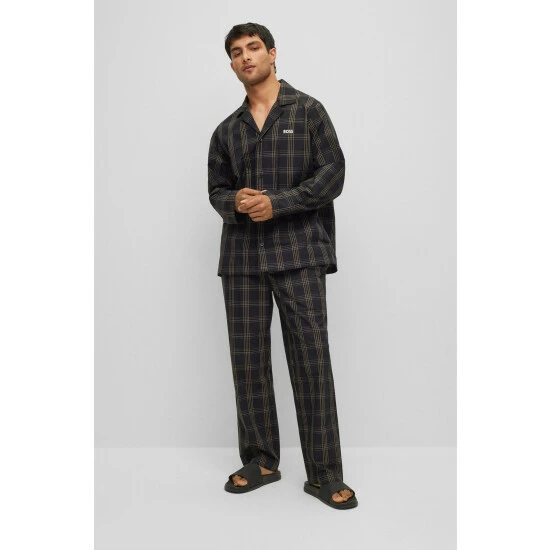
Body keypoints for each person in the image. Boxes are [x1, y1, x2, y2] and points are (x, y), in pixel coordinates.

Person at [207, 22, 358, 510]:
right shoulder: (226, 130)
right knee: (248, 361)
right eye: (236, 52)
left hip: (300, 253)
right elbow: (216, 190)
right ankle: (261, 460)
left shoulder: (308, 110)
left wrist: (279, 203)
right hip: (242, 259)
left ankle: (324, 472)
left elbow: (332, 174)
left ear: (272, 53)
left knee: (311, 360)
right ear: (232, 64)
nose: (245, 57)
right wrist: (236, 201)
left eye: (253, 48)